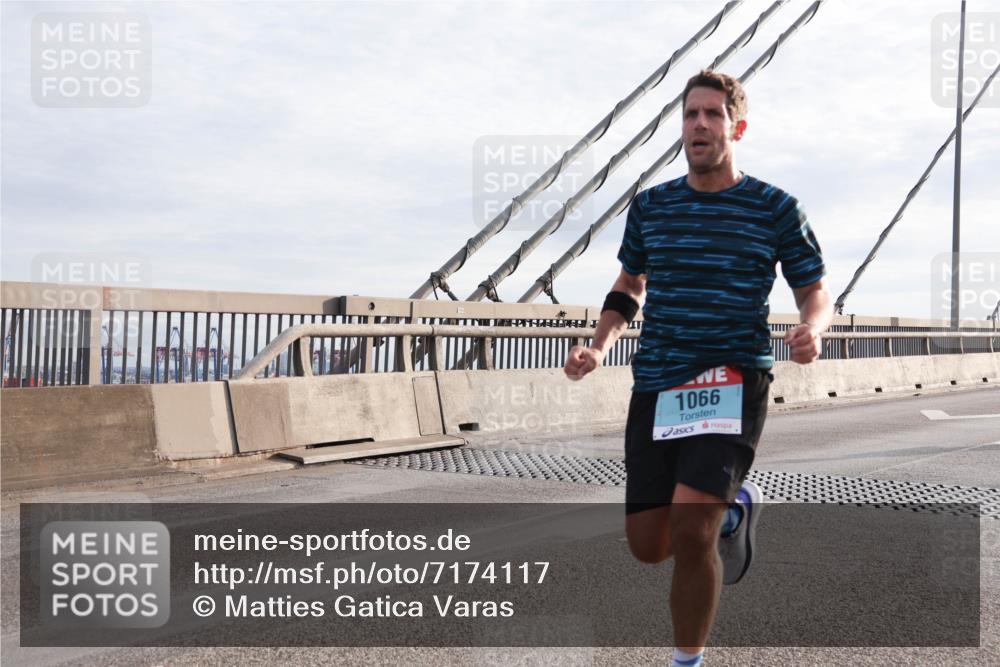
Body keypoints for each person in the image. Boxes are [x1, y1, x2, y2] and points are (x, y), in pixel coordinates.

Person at [563, 69, 832, 667]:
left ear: (736, 127)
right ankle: (736, 509)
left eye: (712, 114)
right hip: (658, 382)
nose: (700, 125)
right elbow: (630, 284)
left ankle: (688, 660)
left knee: (690, 533)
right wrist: (600, 344)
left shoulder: (776, 208)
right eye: (690, 115)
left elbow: (814, 289)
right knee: (648, 546)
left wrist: (813, 327)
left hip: (732, 381)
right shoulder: (652, 207)